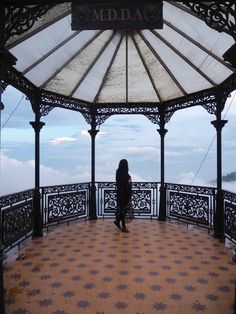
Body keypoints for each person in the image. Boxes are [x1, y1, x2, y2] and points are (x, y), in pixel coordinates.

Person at [113, 159, 132, 233]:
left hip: (119, 193)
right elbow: (125, 183)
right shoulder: (124, 172)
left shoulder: (118, 171)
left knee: (122, 209)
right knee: (123, 210)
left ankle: (118, 221)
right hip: (124, 194)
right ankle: (123, 226)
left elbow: (119, 183)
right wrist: (129, 181)